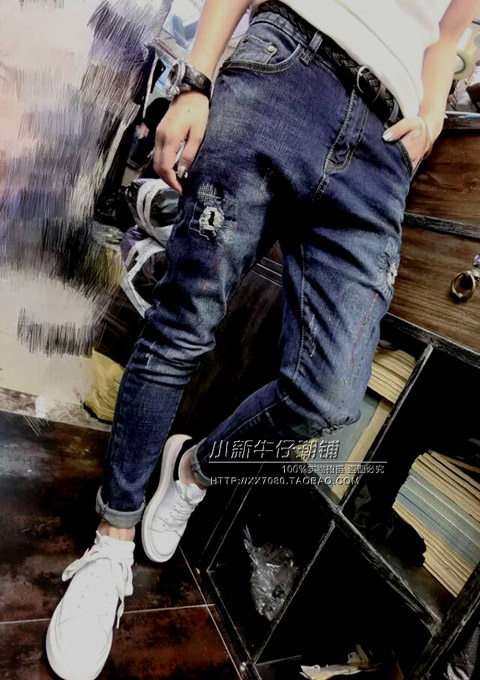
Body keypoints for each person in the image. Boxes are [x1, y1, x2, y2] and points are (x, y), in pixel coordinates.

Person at [46, 1, 479, 679]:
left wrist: (429, 116)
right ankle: (112, 542)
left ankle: (194, 468)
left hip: (382, 153)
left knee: (328, 397)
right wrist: (196, 80)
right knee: (183, 326)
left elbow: (448, 34)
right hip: (286, 68)